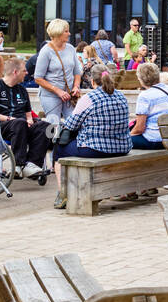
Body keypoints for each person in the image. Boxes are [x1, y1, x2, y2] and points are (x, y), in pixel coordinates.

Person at [52, 64, 131, 209]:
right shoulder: (120, 96)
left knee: (58, 150)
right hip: (122, 146)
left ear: (92, 81)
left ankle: (63, 193)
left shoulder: (89, 98)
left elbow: (71, 125)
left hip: (95, 147)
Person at [0, 56, 50, 178]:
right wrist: (10, 119)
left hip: (22, 124)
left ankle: (32, 164)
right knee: (19, 123)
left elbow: (28, 112)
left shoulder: (22, 89)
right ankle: (18, 165)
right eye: (24, 70)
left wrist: (30, 120)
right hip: (3, 126)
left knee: (45, 126)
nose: (27, 73)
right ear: (15, 72)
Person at [131, 62, 168, 150]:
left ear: (141, 79)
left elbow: (140, 128)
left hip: (154, 140)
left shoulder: (144, 96)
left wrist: (129, 136)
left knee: (123, 141)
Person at [33, 19, 82, 124]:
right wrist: (57, 91)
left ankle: (69, 141)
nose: (69, 33)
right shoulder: (46, 51)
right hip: (50, 96)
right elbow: (38, 78)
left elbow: (77, 71)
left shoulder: (70, 49)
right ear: (58, 33)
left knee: (74, 123)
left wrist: (76, 86)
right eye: (66, 31)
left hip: (69, 95)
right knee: (54, 126)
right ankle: (52, 140)